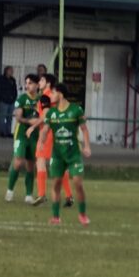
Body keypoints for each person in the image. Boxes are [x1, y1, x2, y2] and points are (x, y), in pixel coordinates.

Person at [36, 83, 91, 226]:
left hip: (73, 154)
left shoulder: (76, 110)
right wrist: (41, 141)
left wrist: (87, 146)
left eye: (53, 93)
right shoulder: (51, 113)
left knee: (78, 183)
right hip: (58, 155)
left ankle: (82, 215)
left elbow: (84, 129)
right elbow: (45, 129)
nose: (51, 96)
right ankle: (56, 217)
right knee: (56, 185)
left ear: (60, 94)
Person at [33, 72, 72, 206]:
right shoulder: (57, 96)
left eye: (42, 80)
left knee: (40, 160)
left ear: (48, 83)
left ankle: (41, 194)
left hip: (47, 132)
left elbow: (45, 115)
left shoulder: (45, 96)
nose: (39, 83)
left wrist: (33, 126)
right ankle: (69, 195)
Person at [5, 73, 39, 204]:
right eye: (26, 83)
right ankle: (10, 190)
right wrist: (29, 121)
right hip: (21, 134)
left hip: (34, 136)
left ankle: (29, 194)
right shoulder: (22, 98)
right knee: (18, 161)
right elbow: (18, 117)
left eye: (30, 83)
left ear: (37, 85)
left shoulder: (41, 99)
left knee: (31, 164)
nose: (27, 86)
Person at [0, 66, 18, 137]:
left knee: (10, 117)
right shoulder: (1, 79)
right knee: (2, 117)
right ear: (6, 71)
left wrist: (14, 98)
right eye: (10, 70)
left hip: (11, 102)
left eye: (12, 70)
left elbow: (14, 90)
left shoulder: (12, 80)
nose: (11, 72)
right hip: (4, 101)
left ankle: (8, 132)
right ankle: (2, 131)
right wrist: (2, 98)